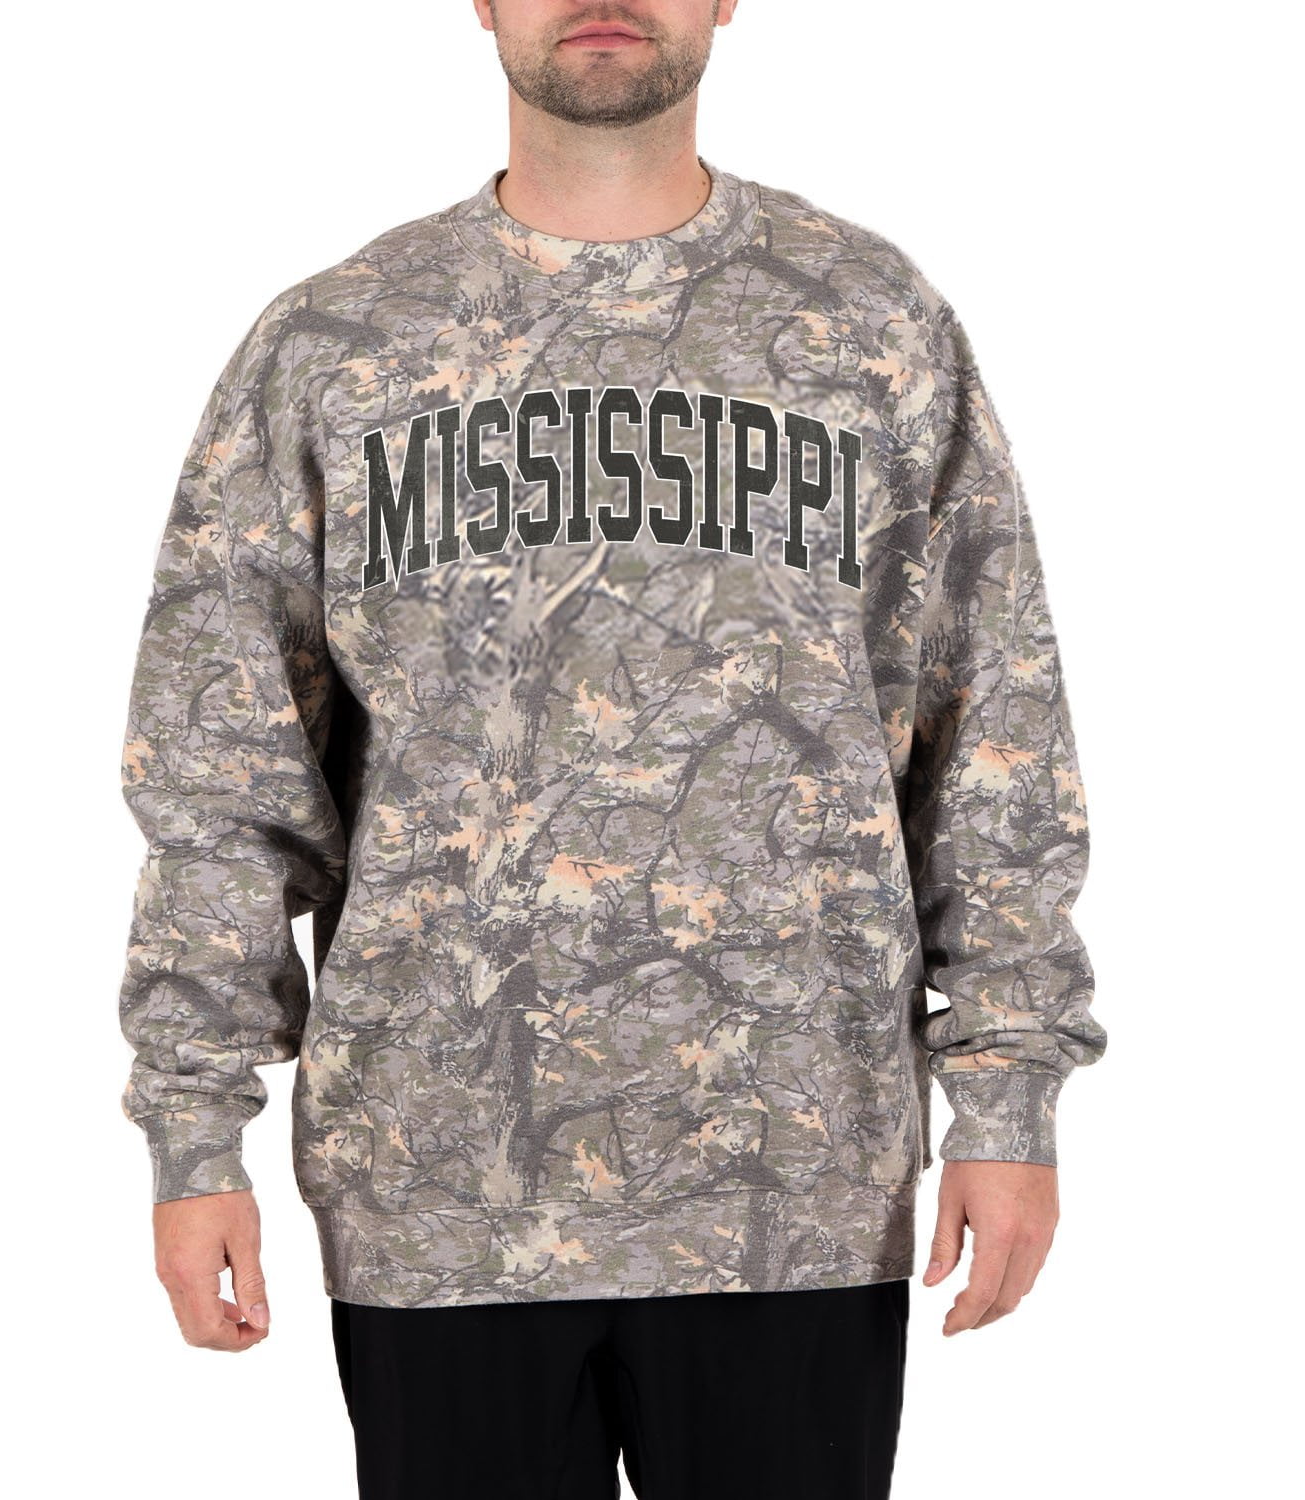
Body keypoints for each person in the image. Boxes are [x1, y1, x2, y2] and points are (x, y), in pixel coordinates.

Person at [115, 2, 1109, 1495]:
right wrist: (195, 1135)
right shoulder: (336, 344)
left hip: (792, 1181)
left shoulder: (867, 321)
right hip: (440, 1189)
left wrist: (1010, 1098)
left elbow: (993, 733)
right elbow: (223, 771)